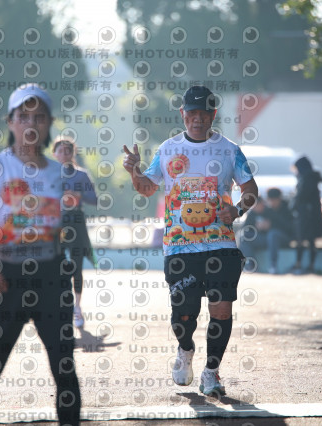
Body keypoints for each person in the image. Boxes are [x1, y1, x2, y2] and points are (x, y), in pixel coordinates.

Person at [0, 84, 81, 425]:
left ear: (49, 123)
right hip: (5, 277)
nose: (31, 123)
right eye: (23, 116)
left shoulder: (57, 172)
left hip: (51, 277)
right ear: (10, 122)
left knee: (65, 369)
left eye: (39, 116)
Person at [122, 85, 258, 396]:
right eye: (192, 113)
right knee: (184, 315)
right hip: (180, 246)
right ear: (183, 114)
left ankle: (211, 372)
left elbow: (251, 189)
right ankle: (185, 349)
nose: (197, 118)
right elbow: (146, 188)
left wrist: (237, 209)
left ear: (213, 115)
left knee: (221, 310)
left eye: (204, 113)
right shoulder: (168, 149)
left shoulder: (229, 150)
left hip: (221, 244)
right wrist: (134, 171)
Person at [52, 136, 97, 328]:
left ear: (73, 153)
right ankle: (59, 306)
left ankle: (77, 308)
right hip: (56, 223)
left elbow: (94, 199)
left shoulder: (81, 175)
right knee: (55, 265)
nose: (64, 154)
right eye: (60, 150)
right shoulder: (48, 174)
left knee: (76, 266)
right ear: (54, 153)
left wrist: (78, 195)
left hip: (76, 221)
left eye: (68, 150)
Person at [242, 188, 294, 274]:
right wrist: (257, 227)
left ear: (279, 199)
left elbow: (289, 228)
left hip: (283, 238)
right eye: (270, 200)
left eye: (274, 200)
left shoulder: (286, 208)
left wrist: (270, 225)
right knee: (244, 237)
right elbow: (245, 229)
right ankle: (251, 266)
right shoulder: (263, 210)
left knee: (273, 234)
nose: (272, 202)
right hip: (266, 238)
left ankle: (273, 266)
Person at [290, 156, 322, 274]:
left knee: (304, 239)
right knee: (309, 240)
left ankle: (302, 264)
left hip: (307, 215)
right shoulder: (311, 177)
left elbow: (302, 196)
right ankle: (308, 264)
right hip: (310, 214)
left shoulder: (307, 179)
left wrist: (294, 203)